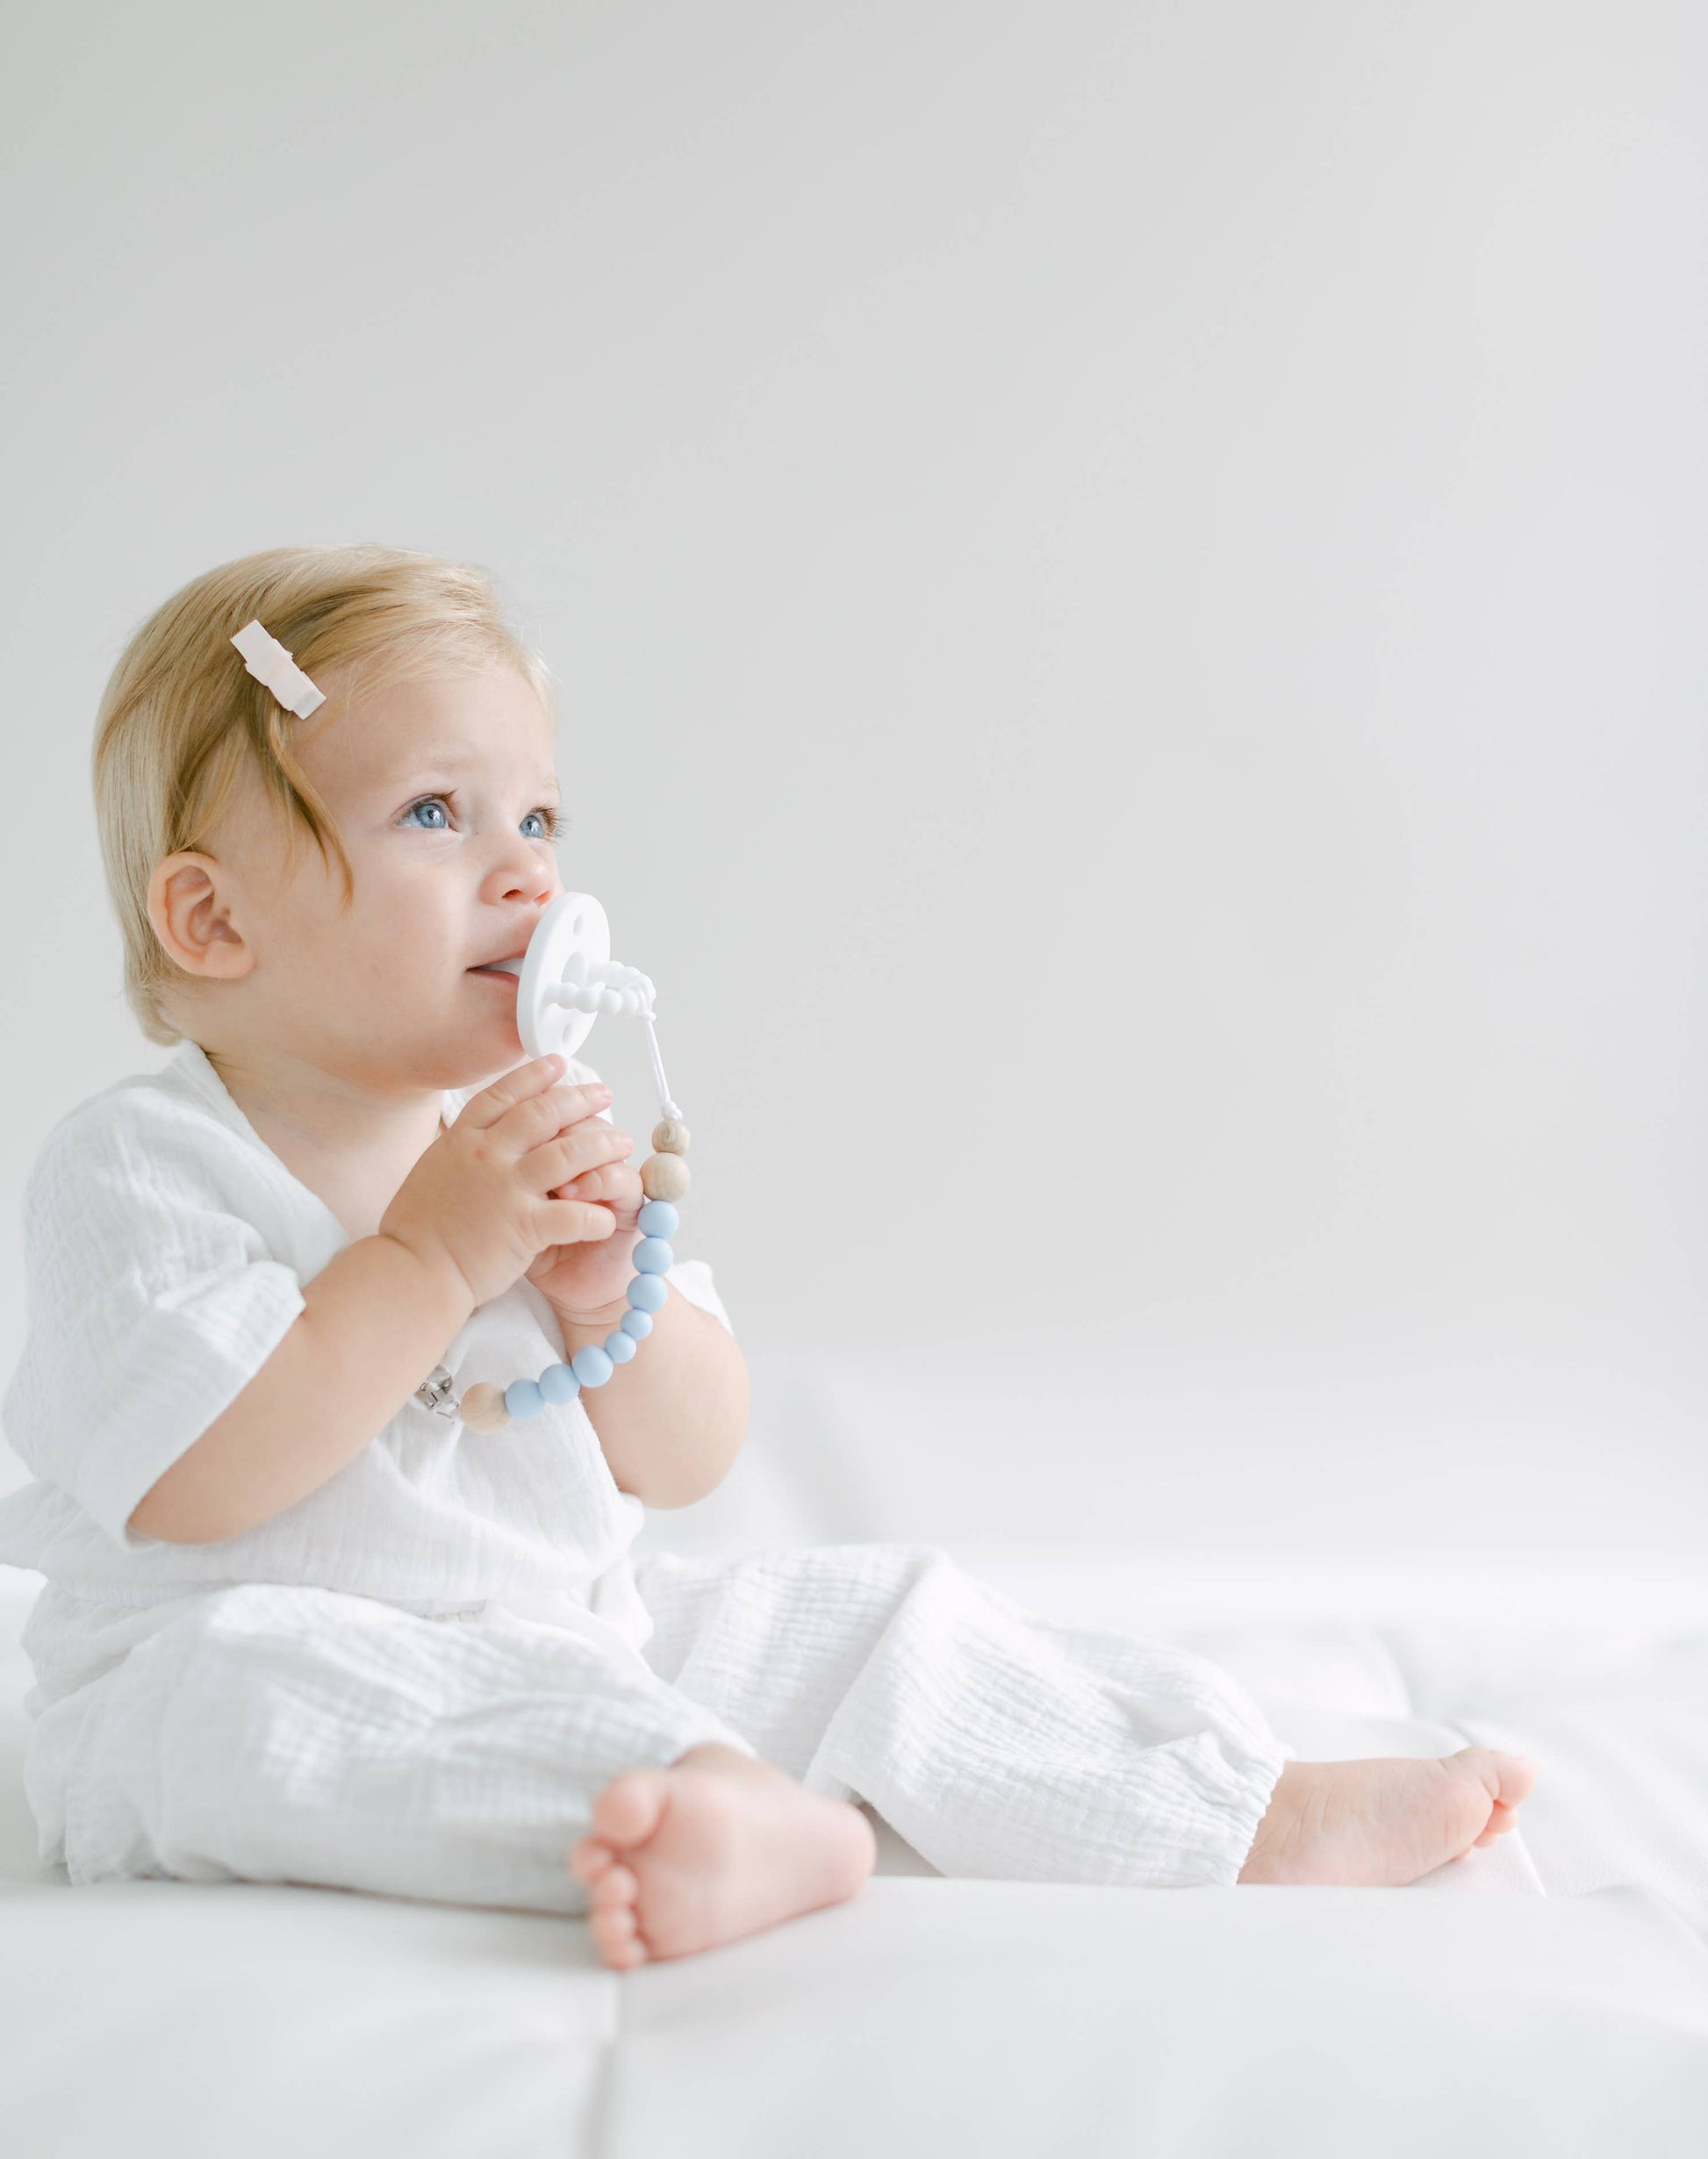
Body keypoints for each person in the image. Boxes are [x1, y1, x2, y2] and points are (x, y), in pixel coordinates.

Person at [0, 546, 1534, 1969]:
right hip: (204, 1659)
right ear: (211, 919)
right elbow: (188, 1477)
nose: (526, 875)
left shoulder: (516, 1140)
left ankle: (1223, 1805)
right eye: (433, 815)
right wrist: (427, 1261)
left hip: (573, 1625)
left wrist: (613, 1302)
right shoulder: (136, 1169)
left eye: (537, 819)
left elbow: (688, 1458)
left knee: (869, 1622)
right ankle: (697, 1808)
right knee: (282, 1709)